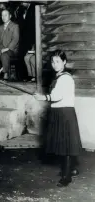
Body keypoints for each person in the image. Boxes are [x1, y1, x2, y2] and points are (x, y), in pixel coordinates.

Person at [34, 50, 82, 187]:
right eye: (53, 62)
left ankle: (66, 177)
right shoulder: (58, 76)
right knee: (64, 144)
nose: (55, 65)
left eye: (58, 62)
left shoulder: (65, 78)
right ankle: (71, 169)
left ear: (64, 62)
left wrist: (43, 97)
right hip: (59, 112)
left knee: (65, 146)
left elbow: (57, 96)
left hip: (64, 114)